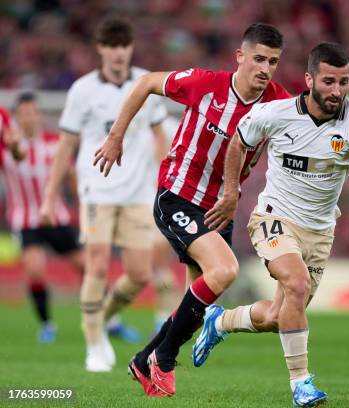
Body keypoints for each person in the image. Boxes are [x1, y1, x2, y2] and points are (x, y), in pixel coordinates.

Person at [194, 42, 349, 407]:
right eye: (329, 81)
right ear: (310, 79)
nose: (337, 91)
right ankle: (301, 384)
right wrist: (231, 191)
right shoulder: (277, 113)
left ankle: (220, 322)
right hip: (273, 217)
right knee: (295, 283)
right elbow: (238, 140)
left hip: (320, 231)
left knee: (278, 316)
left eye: (344, 82)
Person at [93, 23, 290, 396]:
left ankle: (143, 360)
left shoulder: (279, 104)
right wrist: (116, 136)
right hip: (178, 196)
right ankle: (164, 360)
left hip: (219, 209)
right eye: (259, 59)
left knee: (193, 306)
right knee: (225, 269)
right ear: (241, 57)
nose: (265, 68)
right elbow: (148, 81)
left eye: (274, 62)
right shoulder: (205, 84)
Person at [40, 17, 168, 372]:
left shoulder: (146, 83)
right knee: (96, 264)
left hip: (138, 193)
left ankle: (103, 315)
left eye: (123, 46)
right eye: (111, 46)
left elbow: (160, 139)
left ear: (130, 49)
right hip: (96, 190)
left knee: (140, 274)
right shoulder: (82, 90)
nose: (117, 53)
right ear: (100, 49)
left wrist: (168, 184)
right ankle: (95, 344)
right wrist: (50, 197)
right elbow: (66, 144)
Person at [0, 93, 83, 343]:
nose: (29, 118)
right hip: (26, 221)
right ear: (16, 117)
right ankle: (47, 325)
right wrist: (13, 146)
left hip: (57, 217)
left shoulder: (54, 142)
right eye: (24, 113)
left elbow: (70, 175)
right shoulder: (6, 147)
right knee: (35, 270)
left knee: (88, 268)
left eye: (33, 112)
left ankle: (109, 320)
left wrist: (80, 203)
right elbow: (18, 156)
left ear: (39, 115)